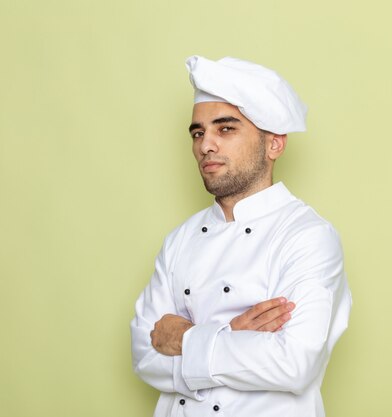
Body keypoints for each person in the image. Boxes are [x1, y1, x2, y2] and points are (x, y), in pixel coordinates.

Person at [130, 55, 352, 417]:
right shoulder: (179, 240)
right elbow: (144, 354)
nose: (206, 145)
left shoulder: (308, 237)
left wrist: (188, 338)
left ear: (274, 145)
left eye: (226, 129)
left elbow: (294, 364)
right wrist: (233, 335)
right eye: (198, 132)